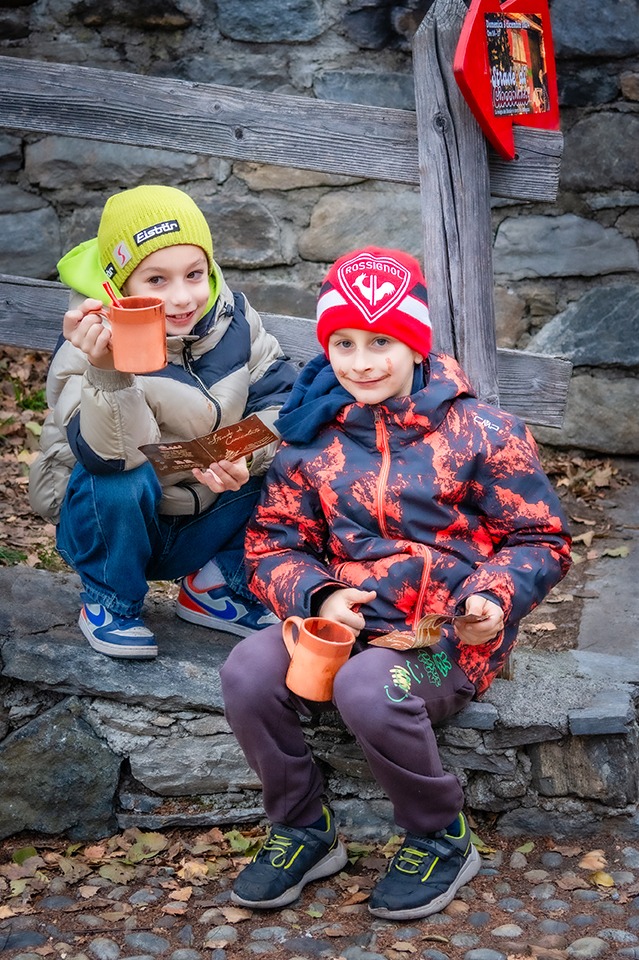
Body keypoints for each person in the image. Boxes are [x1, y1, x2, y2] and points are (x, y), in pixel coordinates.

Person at [220, 247, 572, 920]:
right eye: (343, 343)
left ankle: (439, 834)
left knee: (374, 686)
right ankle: (301, 827)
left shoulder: (482, 432)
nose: (360, 362)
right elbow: (272, 544)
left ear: (413, 343)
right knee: (245, 671)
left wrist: (490, 601)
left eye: (380, 342)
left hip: (442, 642)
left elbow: (541, 538)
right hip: (340, 626)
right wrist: (319, 596)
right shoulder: (309, 441)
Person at [29, 184, 297, 660]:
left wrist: (243, 454)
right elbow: (110, 457)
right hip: (117, 523)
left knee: (289, 466)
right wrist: (108, 371)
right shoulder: (89, 341)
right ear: (120, 286)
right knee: (118, 480)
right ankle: (111, 600)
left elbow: (281, 401)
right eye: (156, 281)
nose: (181, 297)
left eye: (195, 273)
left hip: (202, 513)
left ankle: (216, 586)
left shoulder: (235, 321)